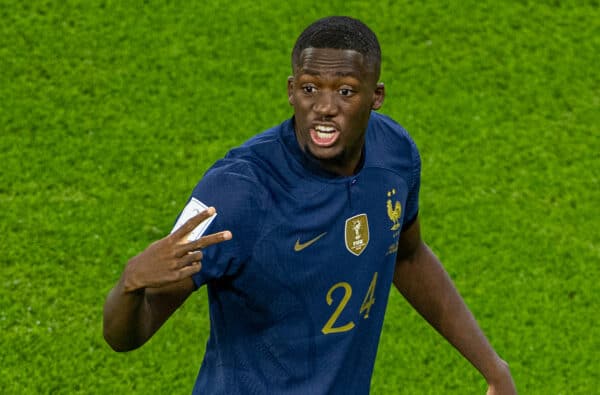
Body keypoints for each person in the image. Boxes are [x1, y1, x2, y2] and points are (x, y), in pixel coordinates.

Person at [103, 16, 517, 395]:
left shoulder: (395, 155)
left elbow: (407, 257)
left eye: (345, 91)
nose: (324, 107)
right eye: (309, 88)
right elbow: (128, 335)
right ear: (290, 91)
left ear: (376, 96)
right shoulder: (236, 192)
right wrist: (130, 284)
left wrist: (492, 368)